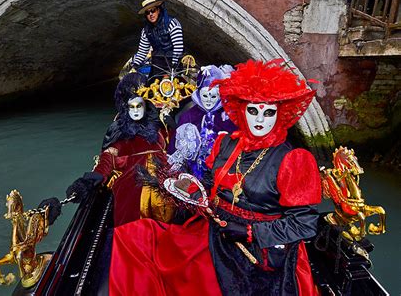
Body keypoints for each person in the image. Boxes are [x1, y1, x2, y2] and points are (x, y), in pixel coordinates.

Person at [108, 59, 321, 295]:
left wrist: (250, 232)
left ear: (279, 115)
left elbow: (305, 223)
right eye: (253, 111)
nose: (260, 121)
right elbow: (210, 187)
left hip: (258, 247)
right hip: (213, 228)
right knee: (135, 236)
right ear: (242, 110)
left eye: (268, 112)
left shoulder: (294, 160)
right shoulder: (226, 144)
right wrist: (189, 189)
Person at [40, 73, 175, 227]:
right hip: (134, 177)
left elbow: (170, 147)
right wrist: (92, 179)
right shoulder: (121, 134)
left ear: (146, 106)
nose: (136, 111)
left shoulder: (158, 128)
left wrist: (173, 128)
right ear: (126, 107)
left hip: (162, 173)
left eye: (139, 106)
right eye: (132, 107)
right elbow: (109, 157)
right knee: (135, 193)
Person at [168, 65, 237, 179]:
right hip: (189, 173)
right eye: (205, 95)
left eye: (213, 95)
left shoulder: (228, 119)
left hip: (217, 173)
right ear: (199, 94)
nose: (209, 100)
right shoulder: (188, 116)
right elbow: (175, 148)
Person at [131, 0, 184, 77]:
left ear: (158, 10)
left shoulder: (172, 23)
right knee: (150, 85)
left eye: (153, 10)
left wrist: (173, 66)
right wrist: (135, 65)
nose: (151, 14)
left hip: (174, 64)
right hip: (157, 65)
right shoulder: (145, 31)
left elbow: (178, 47)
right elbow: (142, 51)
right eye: (147, 12)